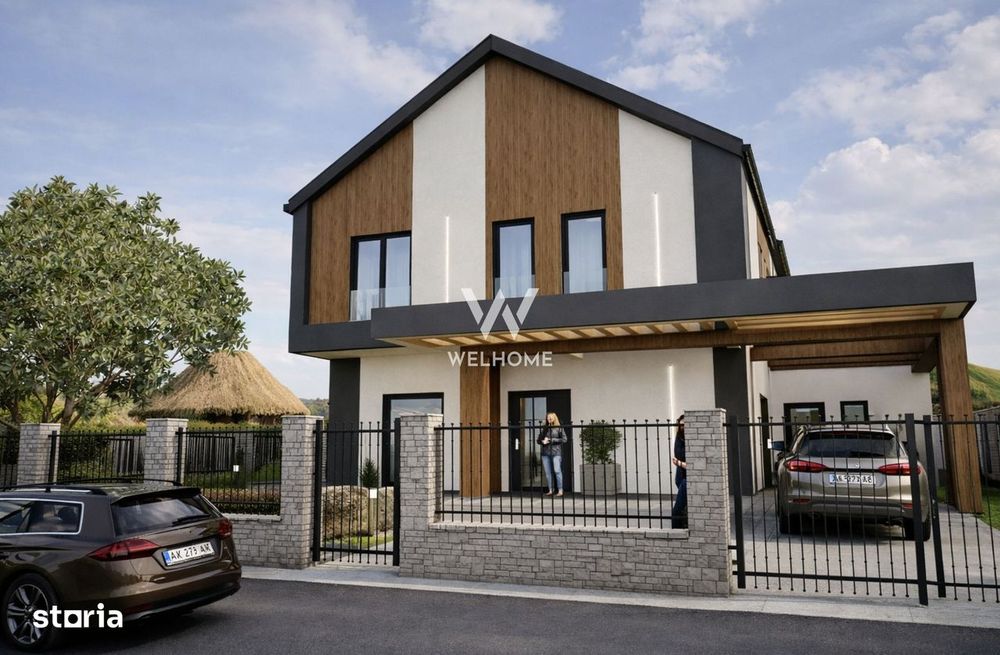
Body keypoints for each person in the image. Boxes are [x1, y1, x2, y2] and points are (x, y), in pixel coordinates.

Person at [537, 412, 567, 497]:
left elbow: (564, 439)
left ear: (554, 418)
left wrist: (551, 440)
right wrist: (542, 441)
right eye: (547, 417)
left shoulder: (559, 428)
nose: (549, 419)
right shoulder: (544, 428)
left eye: (550, 417)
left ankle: (560, 490)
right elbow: (538, 440)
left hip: (556, 453)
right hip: (545, 453)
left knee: (557, 471)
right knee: (548, 473)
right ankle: (551, 489)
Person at [671, 415, 688, 528]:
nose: (682, 427)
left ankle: (679, 526)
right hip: (681, 476)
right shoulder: (679, 437)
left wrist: (680, 463)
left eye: (684, 425)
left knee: (679, 507)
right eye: (681, 425)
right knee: (683, 503)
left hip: (688, 477)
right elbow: (678, 454)